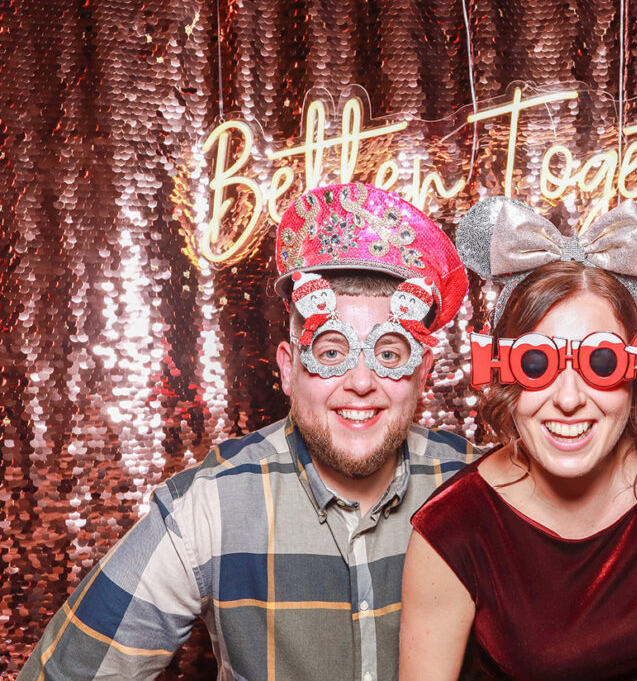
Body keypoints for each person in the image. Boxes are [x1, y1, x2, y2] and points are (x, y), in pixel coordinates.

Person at [21, 183, 475, 681]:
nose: (361, 382)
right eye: (330, 353)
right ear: (287, 368)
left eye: (389, 354)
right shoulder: (210, 505)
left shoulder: (476, 489)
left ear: (423, 370)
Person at [400, 197, 637, 679]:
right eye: (537, 364)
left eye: (601, 363)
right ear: (504, 374)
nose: (569, 399)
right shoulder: (451, 529)